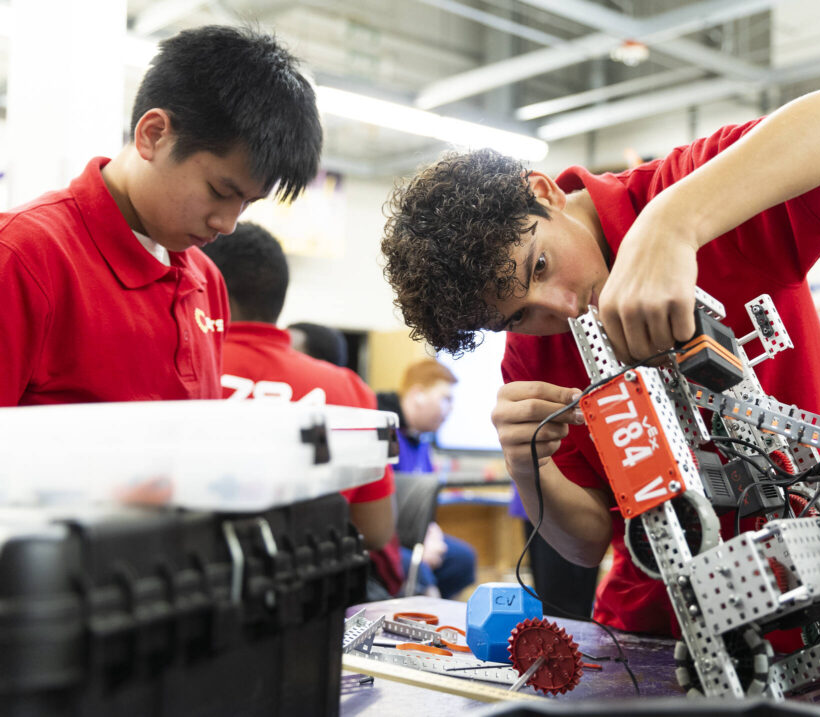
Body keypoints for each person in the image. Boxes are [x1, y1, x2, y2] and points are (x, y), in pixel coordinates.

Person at [380, 78, 820, 640]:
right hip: (664, 632)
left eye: (539, 265)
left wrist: (675, 224)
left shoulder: (682, 190)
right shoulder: (531, 356)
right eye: (515, 317)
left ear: (544, 190)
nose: (560, 308)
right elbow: (586, 543)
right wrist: (528, 467)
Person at [0, 25, 322, 407]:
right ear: (153, 135)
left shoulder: (208, 283)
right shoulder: (23, 257)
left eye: (248, 203)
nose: (228, 224)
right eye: (220, 191)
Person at [202, 222, 400, 599]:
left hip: (197, 597)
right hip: (312, 601)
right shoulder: (349, 388)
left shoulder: (183, 368)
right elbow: (375, 532)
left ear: (206, 284)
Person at [377, 359, 477, 599]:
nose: (450, 409)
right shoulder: (383, 434)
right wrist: (423, 548)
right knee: (418, 567)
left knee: (463, 559)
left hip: (413, 534)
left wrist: (431, 535)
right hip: (384, 537)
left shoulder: (422, 440)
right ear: (417, 394)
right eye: (446, 399)